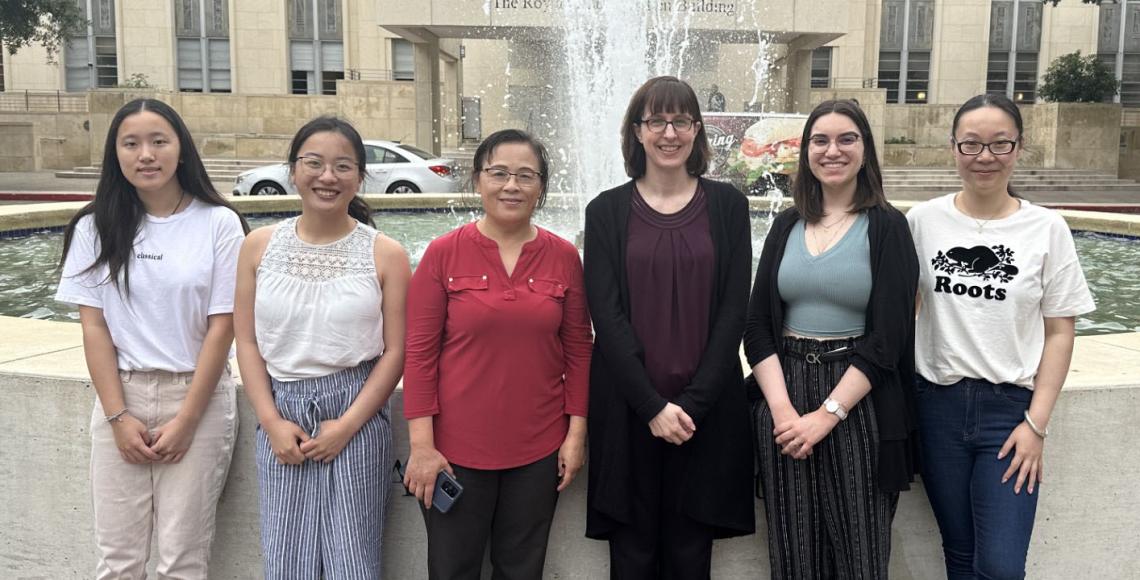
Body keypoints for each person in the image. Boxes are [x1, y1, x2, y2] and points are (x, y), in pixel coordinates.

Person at [56, 97, 249, 579]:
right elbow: (94, 326)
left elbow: (222, 326)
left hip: (197, 399)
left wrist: (186, 419)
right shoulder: (93, 226)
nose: (146, 154)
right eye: (132, 143)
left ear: (180, 149)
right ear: (116, 154)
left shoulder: (218, 223)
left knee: (181, 561)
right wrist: (119, 417)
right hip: (122, 396)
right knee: (117, 560)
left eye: (159, 141)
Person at [907, 93, 1095, 580]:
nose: (984, 157)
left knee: (1002, 566)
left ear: (1018, 147)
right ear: (953, 148)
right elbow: (902, 311)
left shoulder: (1047, 228)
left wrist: (1036, 425)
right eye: (971, 145)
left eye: (999, 144)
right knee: (961, 553)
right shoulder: (921, 222)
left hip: (1008, 414)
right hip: (936, 409)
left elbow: (1059, 331)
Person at [584, 75, 755, 579]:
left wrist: (690, 405)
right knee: (631, 558)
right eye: (655, 120)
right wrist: (652, 406)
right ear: (636, 132)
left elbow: (733, 312)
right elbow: (606, 317)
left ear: (697, 130)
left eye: (681, 120)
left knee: (690, 557)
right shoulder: (606, 211)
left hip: (703, 415)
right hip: (629, 411)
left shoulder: (728, 207)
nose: (669, 132)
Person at [402, 129, 592, 580]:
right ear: (478, 179)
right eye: (499, 173)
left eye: (526, 175)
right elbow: (420, 353)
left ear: (541, 186)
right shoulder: (443, 254)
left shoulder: (563, 257)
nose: (512, 185)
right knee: (452, 570)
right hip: (454, 451)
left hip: (538, 449)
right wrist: (422, 446)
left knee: (521, 571)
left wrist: (575, 434)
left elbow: (580, 352)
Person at [743, 99, 920, 579]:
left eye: (847, 139)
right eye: (820, 140)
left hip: (858, 399)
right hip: (786, 391)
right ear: (805, 152)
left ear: (865, 149)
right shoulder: (786, 224)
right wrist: (782, 412)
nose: (832, 150)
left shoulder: (887, 226)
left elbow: (889, 337)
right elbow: (758, 325)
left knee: (859, 556)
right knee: (794, 552)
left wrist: (827, 416)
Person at [233, 116, 411, 579]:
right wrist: (270, 421)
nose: (327, 177)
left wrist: (348, 425)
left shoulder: (386, 253)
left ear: (360, 176)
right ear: (293, 170)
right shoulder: (258, 247)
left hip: (356, 411)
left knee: (353, 558)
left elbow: (395, 352)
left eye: (342, 166)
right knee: (287, 556)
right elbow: (247, 341)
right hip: (283, 410)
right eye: (314, 163)